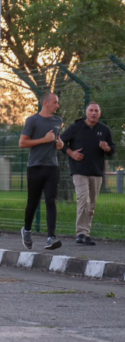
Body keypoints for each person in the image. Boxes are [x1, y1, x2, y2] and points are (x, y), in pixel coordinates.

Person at [59, 102, 116, 246]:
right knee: (84, 199)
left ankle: (86, 233)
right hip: (79, 170)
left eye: (96, 111)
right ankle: (80, 233)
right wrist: (71, 153)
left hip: (96, 172)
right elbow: (59, 142)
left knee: (91, 204)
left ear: (100, 113)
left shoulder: (104, 130)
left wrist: (107, 148)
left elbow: (112, 150)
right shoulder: (75, 127)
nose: (94, 113)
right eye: (91, 110)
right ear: (86, 112)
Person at [19, 92, 64, 250]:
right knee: (33, 202)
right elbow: (22, 143)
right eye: (55, 102)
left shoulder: (58, 120)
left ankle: (51, 238)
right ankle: (27, 230)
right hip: (35, 167)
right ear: (46, 103)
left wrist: (59, 144)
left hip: (52, 166)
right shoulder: (32, 121)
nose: (57, 106)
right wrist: (44, 140)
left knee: (51, 201)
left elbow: (59, 142)